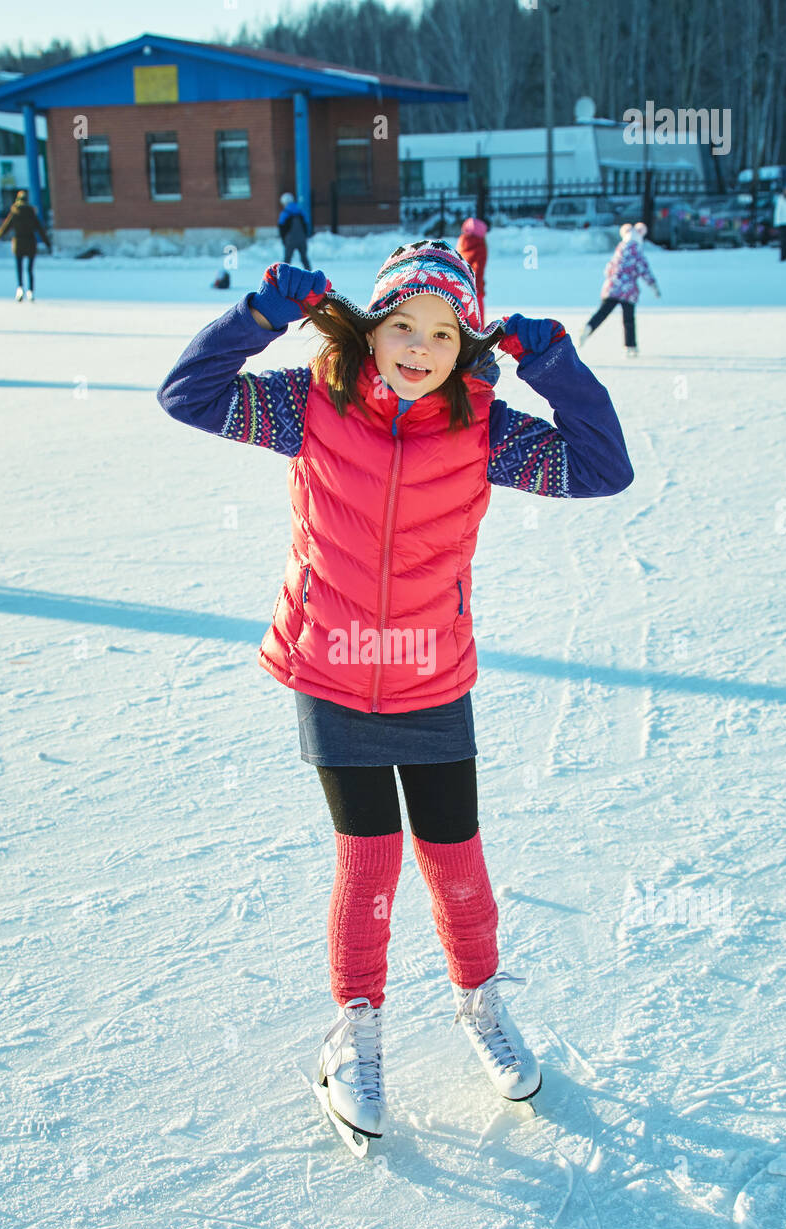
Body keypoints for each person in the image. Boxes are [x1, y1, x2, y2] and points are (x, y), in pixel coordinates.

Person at [156, 239, 634, 1151]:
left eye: (444, 334)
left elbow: (603, 469)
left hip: (430, 670)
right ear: (372, 330)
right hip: (332, 668)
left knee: (456, 855)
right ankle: (357, 1031)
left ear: (467, 348)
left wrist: (561, 366)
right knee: (369, 859)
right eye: (404, 325)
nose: (419, 347)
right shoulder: (310, 404)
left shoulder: (483, 428)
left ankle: (480, 1004)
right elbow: (191, 395)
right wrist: (256, 319)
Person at [579, 222, 660, 358]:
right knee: (628, 319)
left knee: (603, 312)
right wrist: (653, 286)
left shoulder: (620, 249)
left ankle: (589, 327)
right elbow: (644, 270)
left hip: (612, 286)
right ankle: (631, 346)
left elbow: (609, 268)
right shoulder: (637, 250)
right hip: (628, 290)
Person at [0, 189, 51, 301]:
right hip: (30, 243)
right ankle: (30, 291)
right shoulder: (31, 213)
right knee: (30, 269)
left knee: (19, 268)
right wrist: (48, 243)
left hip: (19, 243)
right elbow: (40, 230)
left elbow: (6, 227)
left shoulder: (15, 213)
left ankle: (20, 288)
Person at [456, 216, 488, 324]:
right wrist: (479, 285)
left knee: (463, 318)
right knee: (478, 321)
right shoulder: (480, 246)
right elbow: (478, 269)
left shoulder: (461, 243)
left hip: (461, 286)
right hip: (476, 288)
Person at [277, 192, 311, 269]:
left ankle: (283, 277)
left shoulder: (284, 213)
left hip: (290, 240)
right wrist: (305, 236)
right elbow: (306, 224)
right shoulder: (301, 212)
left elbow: (281, 228)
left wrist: (283, 240)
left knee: (287, 260)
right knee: (304, 258)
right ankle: (311, 276)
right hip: (302, 239)